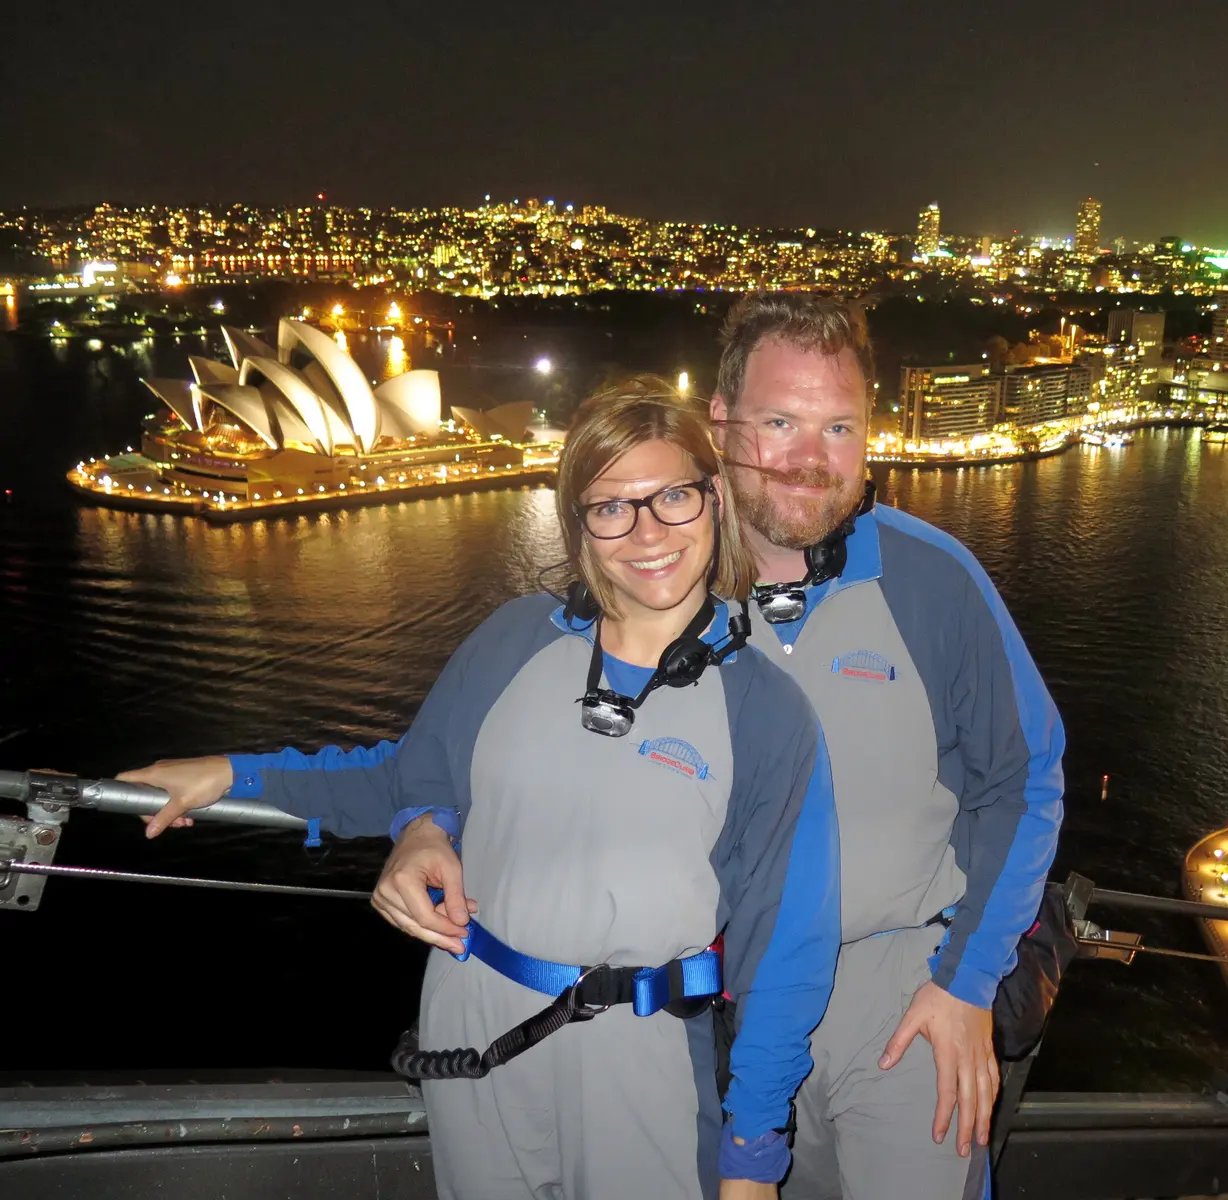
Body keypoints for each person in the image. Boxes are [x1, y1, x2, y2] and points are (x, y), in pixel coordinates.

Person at [123, 376, 843, 1200]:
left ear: (715, 498)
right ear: (579, 524)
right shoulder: (513, 639)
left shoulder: (768, 712)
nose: (647, 532)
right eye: (611, 507)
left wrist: (753, 1152)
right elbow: (414, 773)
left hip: (639, 1051)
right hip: (470, 1016)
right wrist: (238, 775)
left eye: (672, 496)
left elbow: (787, 949)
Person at [704, 293, 1066, 1200]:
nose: (811, 457)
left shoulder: (933, 577)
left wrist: (965, 982)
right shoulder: (667, 585)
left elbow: (1025, 779)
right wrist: (433, 821)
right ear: (721, 422)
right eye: (780, 422)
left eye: (839, 427)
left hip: (905, 994)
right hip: (733, 1003)